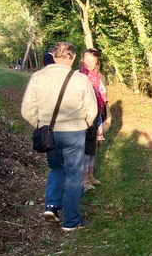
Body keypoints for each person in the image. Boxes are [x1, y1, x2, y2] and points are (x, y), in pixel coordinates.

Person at [21, 41, 98, 231]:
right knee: (74, 175)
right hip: (74, 133)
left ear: (53, 57)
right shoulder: (81, 79)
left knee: (56, 169)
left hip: (49, 132)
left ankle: (52, 207)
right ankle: (71, 221)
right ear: (72, 59)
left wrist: (40, 125)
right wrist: (84, 124)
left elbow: (26, 110)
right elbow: (92, 110)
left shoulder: (38, 77)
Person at [79, 49, 107, 191]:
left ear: (96, 61)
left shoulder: (100, 76)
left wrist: (105, 116)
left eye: (92, 60)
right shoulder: (78, 76)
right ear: (82, 60)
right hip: (82, 116)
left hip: (97, 115)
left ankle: (90, 175)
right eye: (86, 60)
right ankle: (83, 179)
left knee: (93, 146)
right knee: (84, 147)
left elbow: (104, 97)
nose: (89, 63)